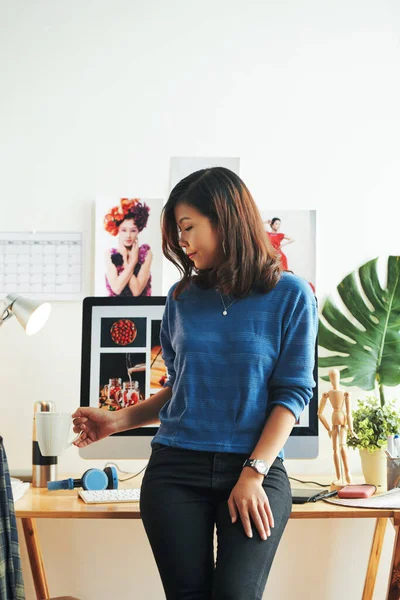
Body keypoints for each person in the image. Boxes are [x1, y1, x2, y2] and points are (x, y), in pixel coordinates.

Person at [72, 167, 317, 599]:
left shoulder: (292, 295)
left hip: (253, 468)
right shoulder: (181, 298)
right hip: (175, 469)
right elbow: (183, 387)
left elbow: (292, 394)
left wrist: (254, 472)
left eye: (188, 228)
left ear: (225, 218)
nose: (182, 243)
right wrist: (115, 421)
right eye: (177, 233)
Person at [104, 197, 153, 296]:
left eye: (133, 230)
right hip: (115, 309)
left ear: (139, 230)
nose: (128, 235)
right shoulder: (110, 254)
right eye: (124, 230)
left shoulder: (146, 254)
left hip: (141, 309)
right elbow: (117, 288)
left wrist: (129, 262)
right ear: (117, 230)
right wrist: (129, 261)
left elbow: (137, 291)